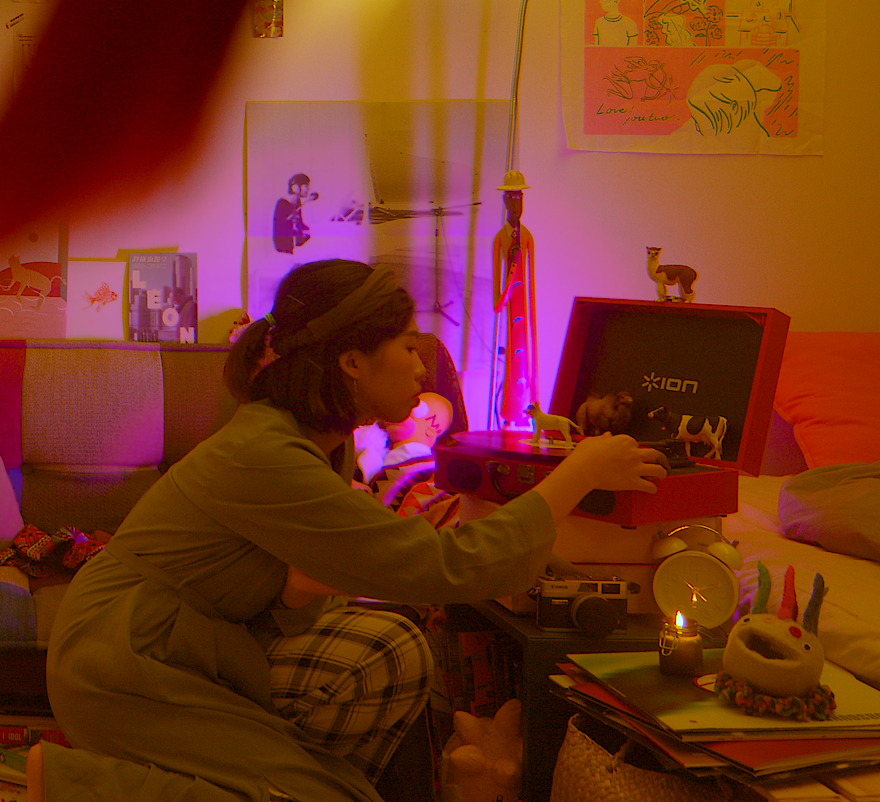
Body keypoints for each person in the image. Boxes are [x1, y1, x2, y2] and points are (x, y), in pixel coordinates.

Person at [36, 260, 668, 802]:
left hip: (195, 637)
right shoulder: (268, 452)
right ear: (353, 362)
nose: (422, 363)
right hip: (125, 659)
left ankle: (256, 765)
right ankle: (73, 783)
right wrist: (577, 472)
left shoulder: (317, 440)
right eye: (407, 345)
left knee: (393, 651)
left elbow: (328, 568)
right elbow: (440, 564)